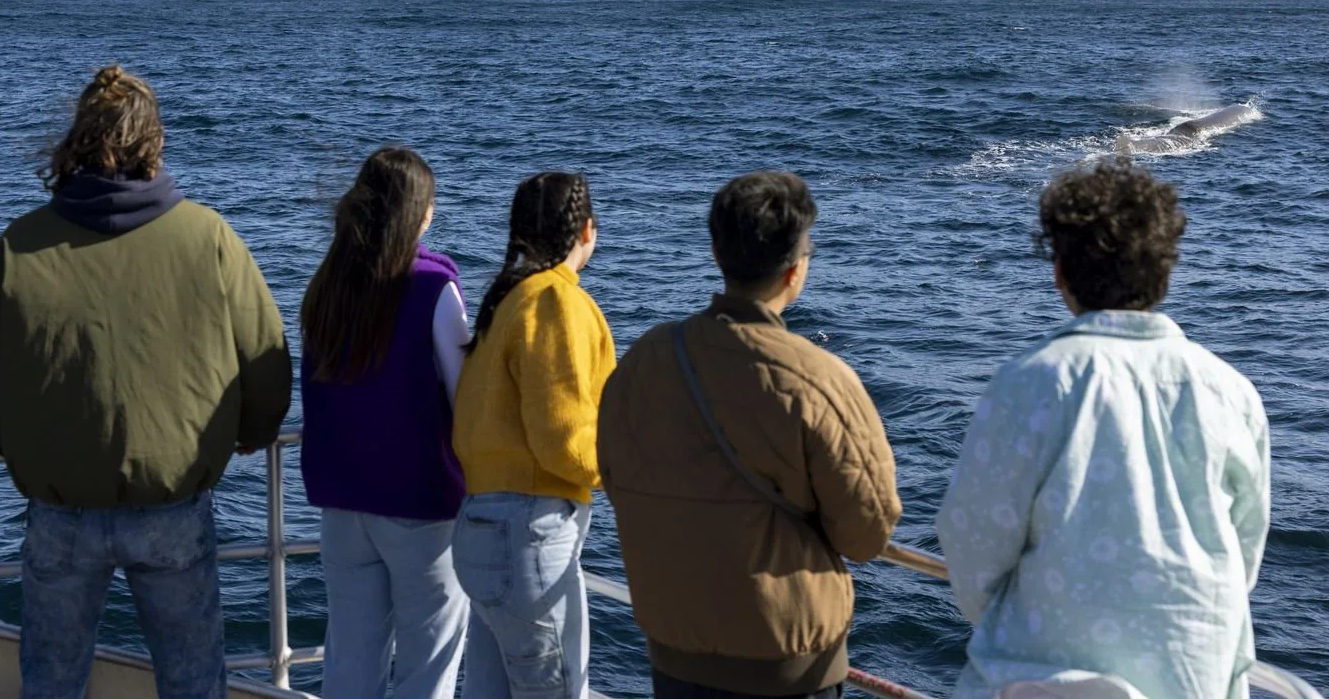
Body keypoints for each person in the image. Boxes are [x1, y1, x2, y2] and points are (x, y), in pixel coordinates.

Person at [0, 65, 292, 699]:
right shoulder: (209, 237)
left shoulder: (19, 245)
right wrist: (252, 430)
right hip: (172, 504)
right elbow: (267, 366)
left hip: (59, 508)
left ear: (77, 140)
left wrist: (33, 445)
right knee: (193, 684)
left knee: (51, 686)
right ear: (153, 141)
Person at [935, 160, 1270, 699]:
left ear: (1060, 273)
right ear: (1165, 271)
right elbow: (1244, 546)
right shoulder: (1231, 392)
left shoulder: (1032, 382)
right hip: (1195, 677)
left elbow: (973, 538)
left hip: (1041, 678)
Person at [598, 171, 901, 699]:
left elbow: (612, 469)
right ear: (796, 268)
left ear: (716, 252)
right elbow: (866, 534)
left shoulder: (648, 357)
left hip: (676, 653)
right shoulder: (818, 378)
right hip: (787, 665)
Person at [300, 147, 471, 699]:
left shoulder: (329, 282)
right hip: (420, 504)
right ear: (419, 214)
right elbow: (465, 396)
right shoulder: (433, 289)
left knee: (351, 657)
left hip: (343, 501)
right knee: (428, 662)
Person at [450, 172, 616, 699]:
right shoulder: (556, 302)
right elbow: (563, 438)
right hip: (528, 535)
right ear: (587, 231)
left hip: (480, 526)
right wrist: (625, 470)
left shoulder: (507, 300)